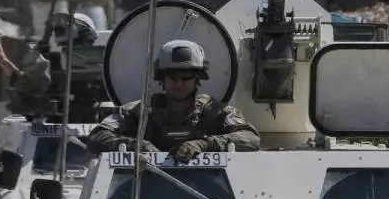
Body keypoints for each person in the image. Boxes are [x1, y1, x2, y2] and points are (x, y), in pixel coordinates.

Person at [83, 38, 260, 157]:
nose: (179, 84)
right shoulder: (140, 112)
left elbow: (251, 139)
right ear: (162, 79)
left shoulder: (215, 113)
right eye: (173, 77)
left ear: (198, 79)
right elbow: (97, 137)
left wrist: (206, 145)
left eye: (186, 78)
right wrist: (135, 145)